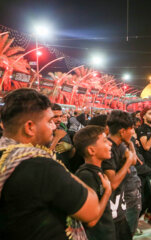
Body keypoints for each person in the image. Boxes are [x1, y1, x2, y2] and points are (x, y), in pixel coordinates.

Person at [0, 88, 100, 239]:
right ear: (29, 127)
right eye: (49, 121)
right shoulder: (40, 165)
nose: (54, 126)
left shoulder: (6, 157)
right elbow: (92, 210)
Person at [74, 126, 115, 240]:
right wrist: (107, 192)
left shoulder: (96, 171)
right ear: (91, 150)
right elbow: (91, 221)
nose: (110, 144)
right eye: (105, 141)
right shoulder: (86, 176)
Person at [102, 110, 137, 240]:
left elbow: (133, 161)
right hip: (109, 215)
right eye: (131, 129)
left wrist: (131, 145)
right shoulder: (107, 148)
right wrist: (127, 161)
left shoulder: (120, 144)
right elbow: (113, 183)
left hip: (119, 212)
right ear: (122, 131)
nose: (133, 132)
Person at [50, 103, 75, 169]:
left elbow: (69, 156)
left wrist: (72, 148)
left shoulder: (62, 129)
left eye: (60, 116)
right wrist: (57, 138)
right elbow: (41, 156)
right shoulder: (41, 132)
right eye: (55, 117)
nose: (59, 120)